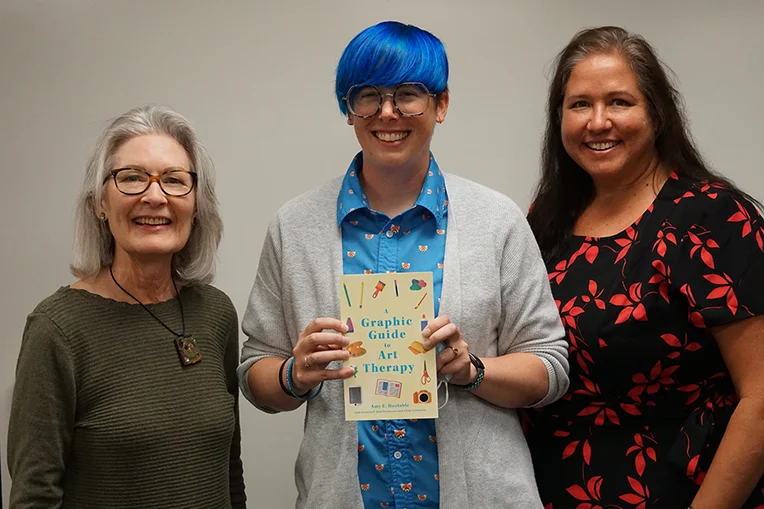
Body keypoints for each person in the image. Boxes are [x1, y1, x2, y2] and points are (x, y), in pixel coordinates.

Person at [237, 21, 569, 508]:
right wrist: (295, 373)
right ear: (348, 110)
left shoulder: (496, 220)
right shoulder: (295, 226)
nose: (387, 112)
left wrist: (469, 369)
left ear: (442, 104)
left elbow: (550, 367)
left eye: (409, 93)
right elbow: (254, 373)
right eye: (367, 95)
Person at [525, 26, 764, 508]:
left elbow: (761, 397)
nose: (597, 122)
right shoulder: (544, 221)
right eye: (579, 105)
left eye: (618, 102)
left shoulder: (710, 216)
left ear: (656, 114)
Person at [8, 105, 247, 509]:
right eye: (132, 178)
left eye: (174, 180)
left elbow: (229, 471)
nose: (155, 196)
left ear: (196, 204)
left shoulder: (215, 313)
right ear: (99, 203)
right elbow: (35, 496)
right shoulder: (57, 329)